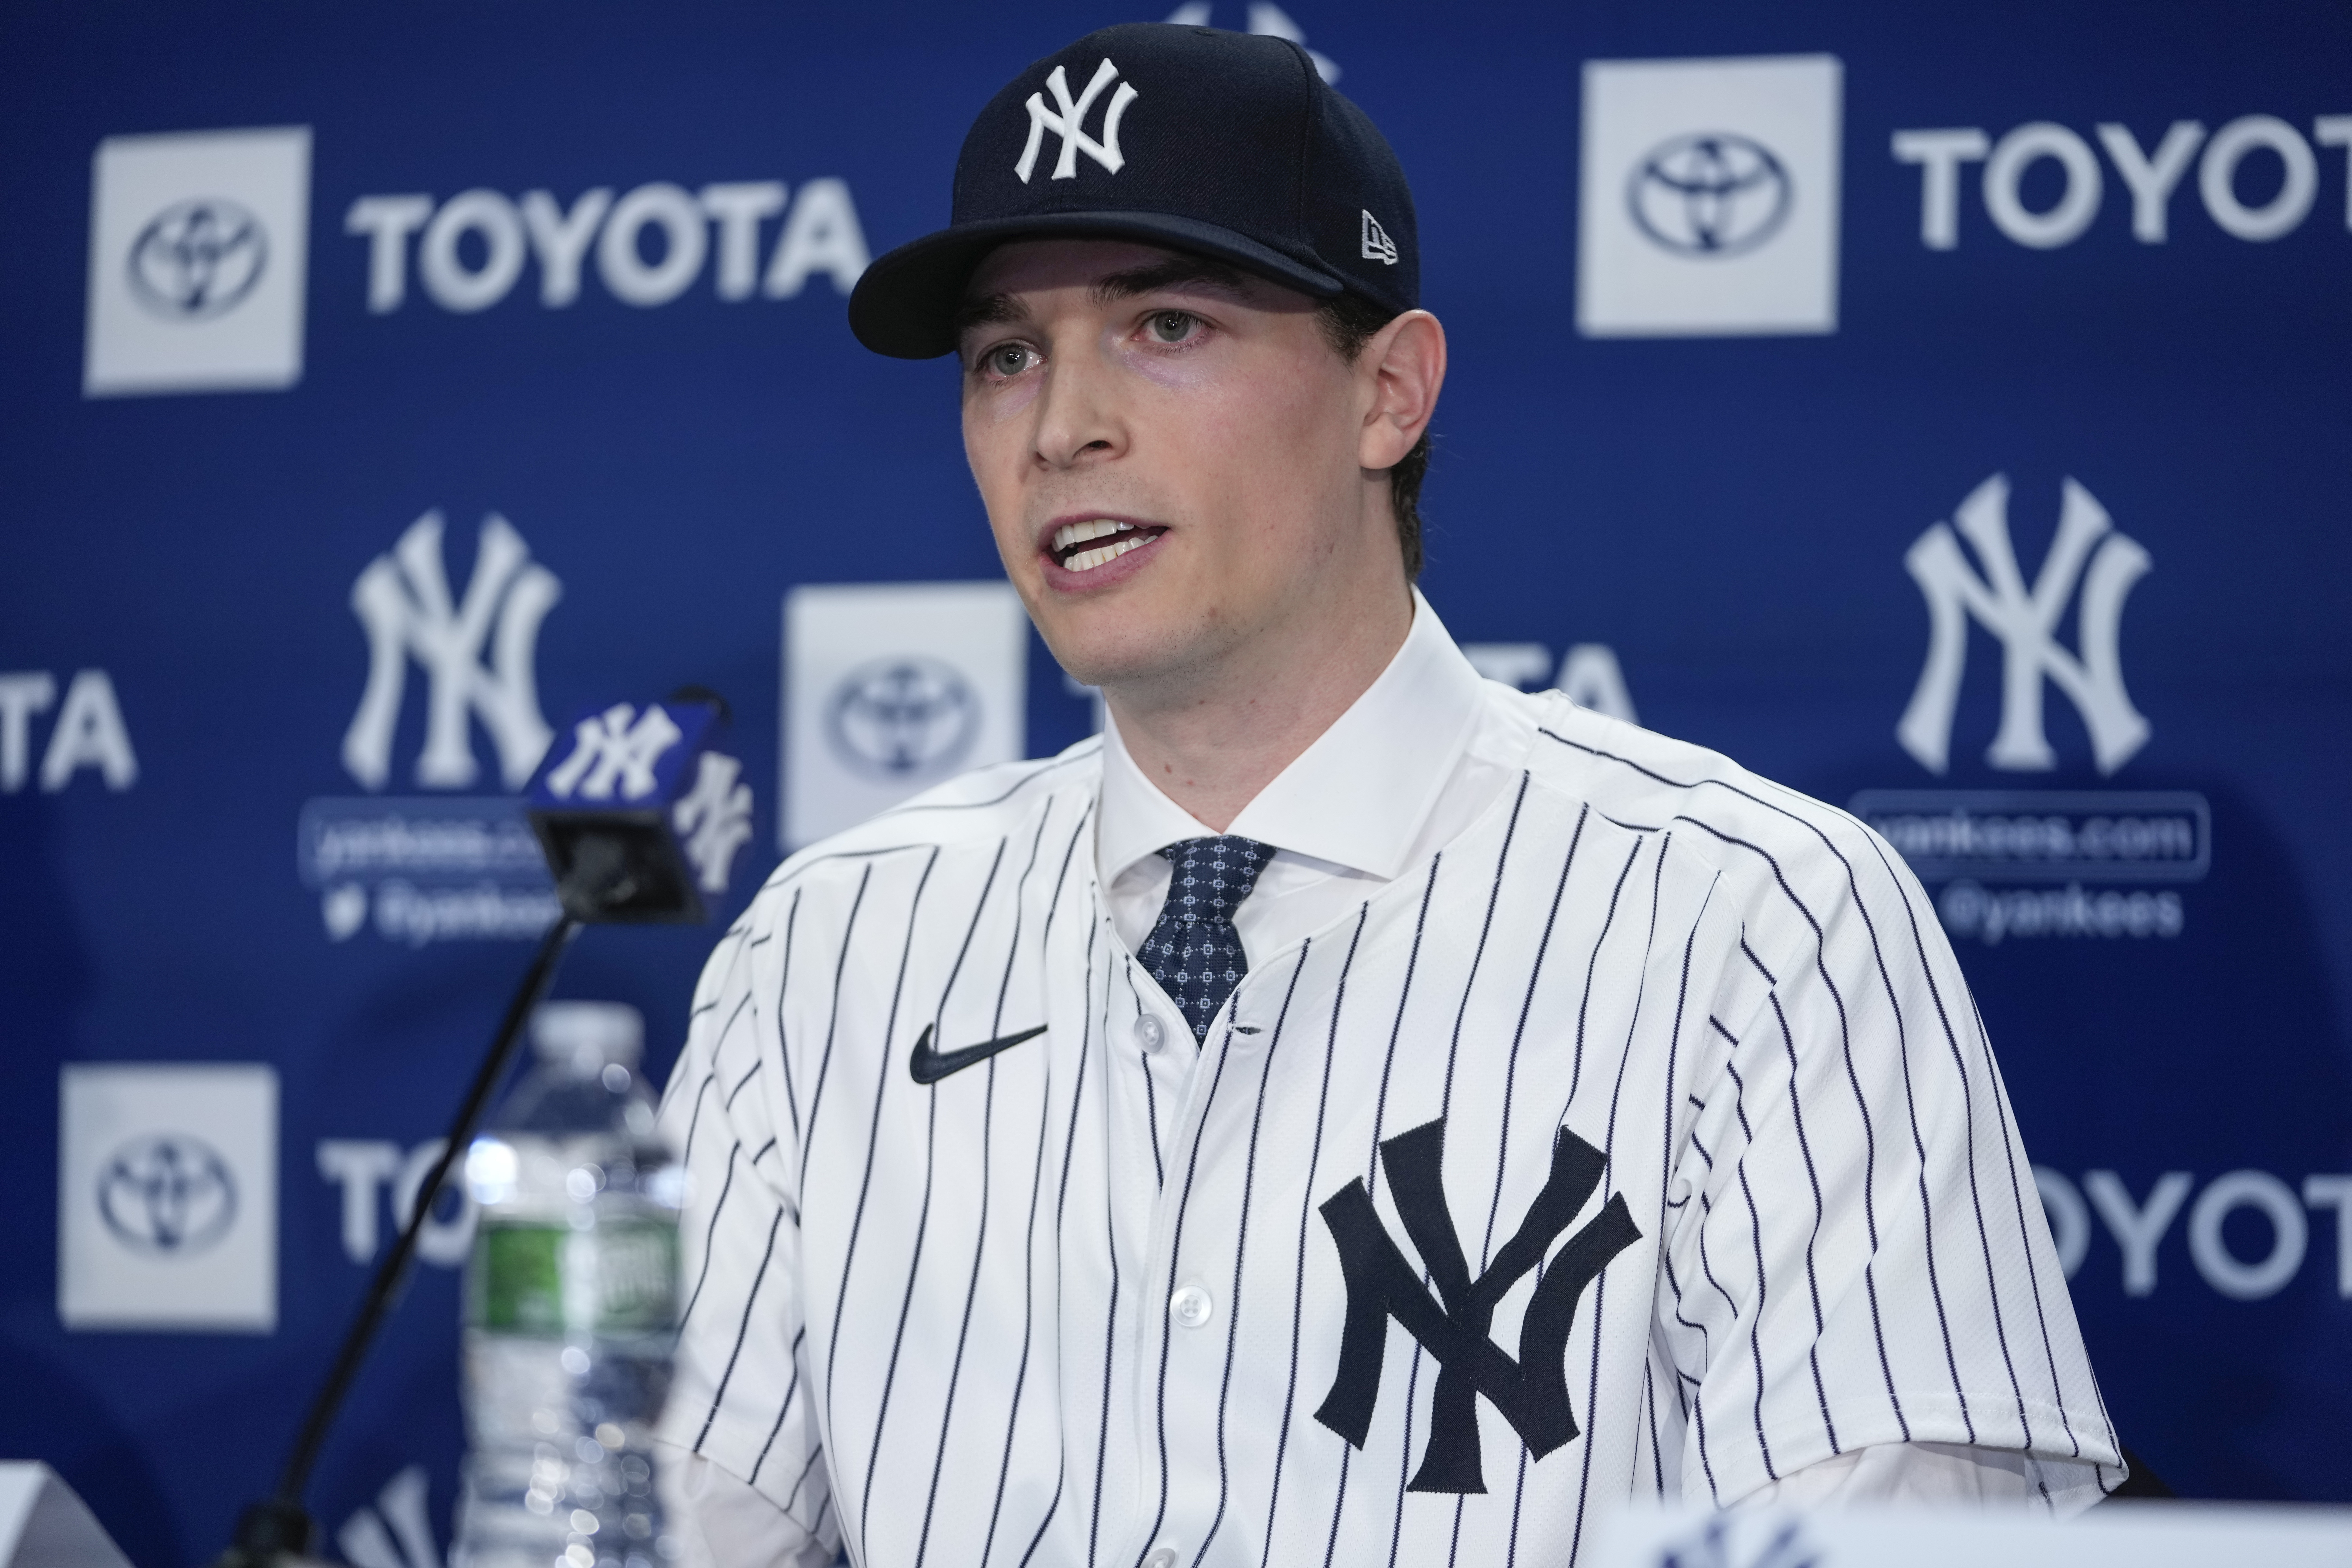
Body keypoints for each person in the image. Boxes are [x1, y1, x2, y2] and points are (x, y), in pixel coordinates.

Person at [651, 23, 2122, 1567]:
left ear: (1390, 392)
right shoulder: (827, 947)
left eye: (1165, 324)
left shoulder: (1750, 924)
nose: (1062, 426)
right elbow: (633, 1521)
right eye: (1004, 357)